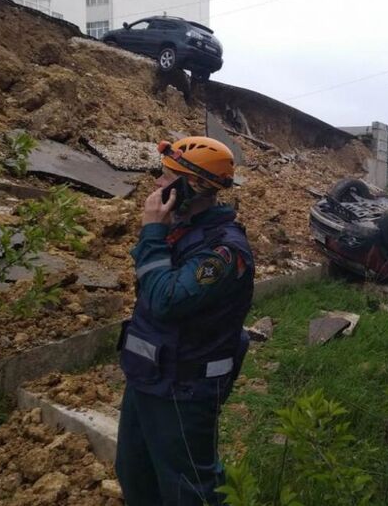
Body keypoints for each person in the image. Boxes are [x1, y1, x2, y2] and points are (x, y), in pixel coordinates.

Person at [115, 136, 254, 505]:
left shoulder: (222, 250)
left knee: (189, 490)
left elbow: (166, 301)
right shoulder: (182, 231)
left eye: (166, 177)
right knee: (135, 474)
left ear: (192, 186)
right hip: (147, 378)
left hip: (184, 389)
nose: (158, 185)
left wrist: (153, 233)